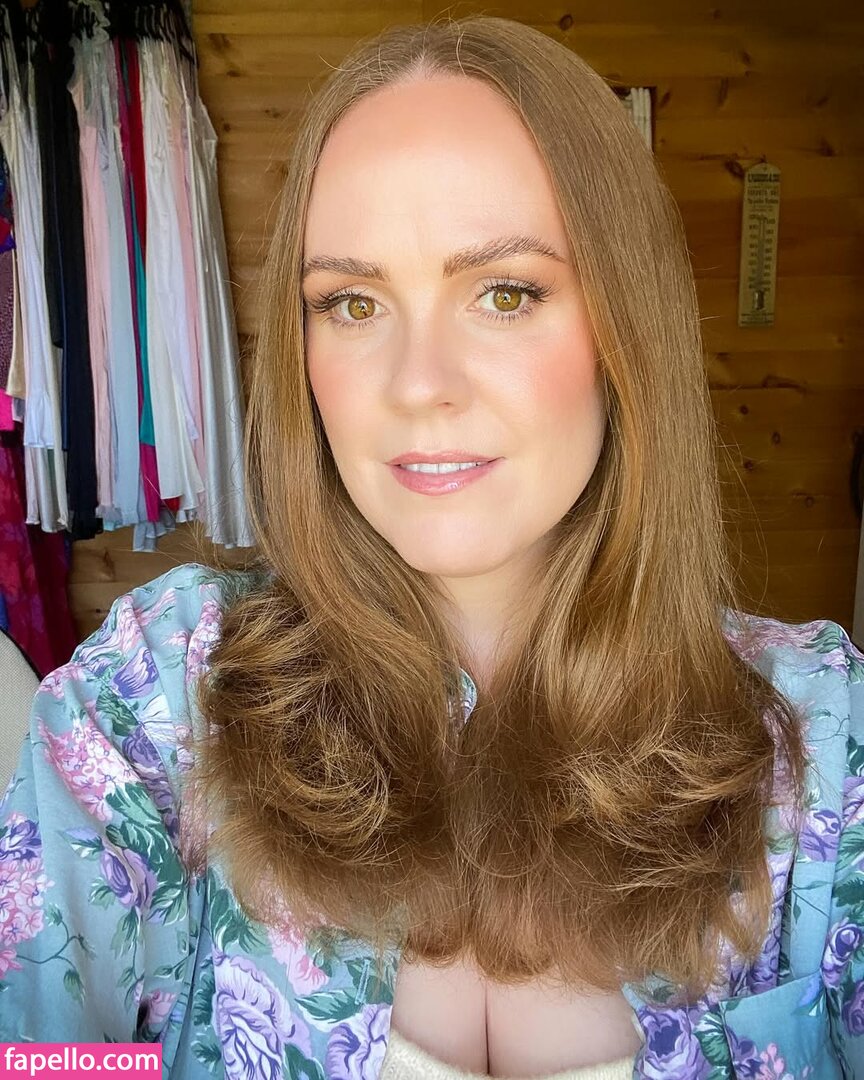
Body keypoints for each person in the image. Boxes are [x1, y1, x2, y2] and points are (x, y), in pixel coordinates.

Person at [1, 13, 863, 1080]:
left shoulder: (823, 739)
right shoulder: (157, 701)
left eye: (504, 293)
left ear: (624, 329)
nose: (417, 384)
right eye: (353, 302)